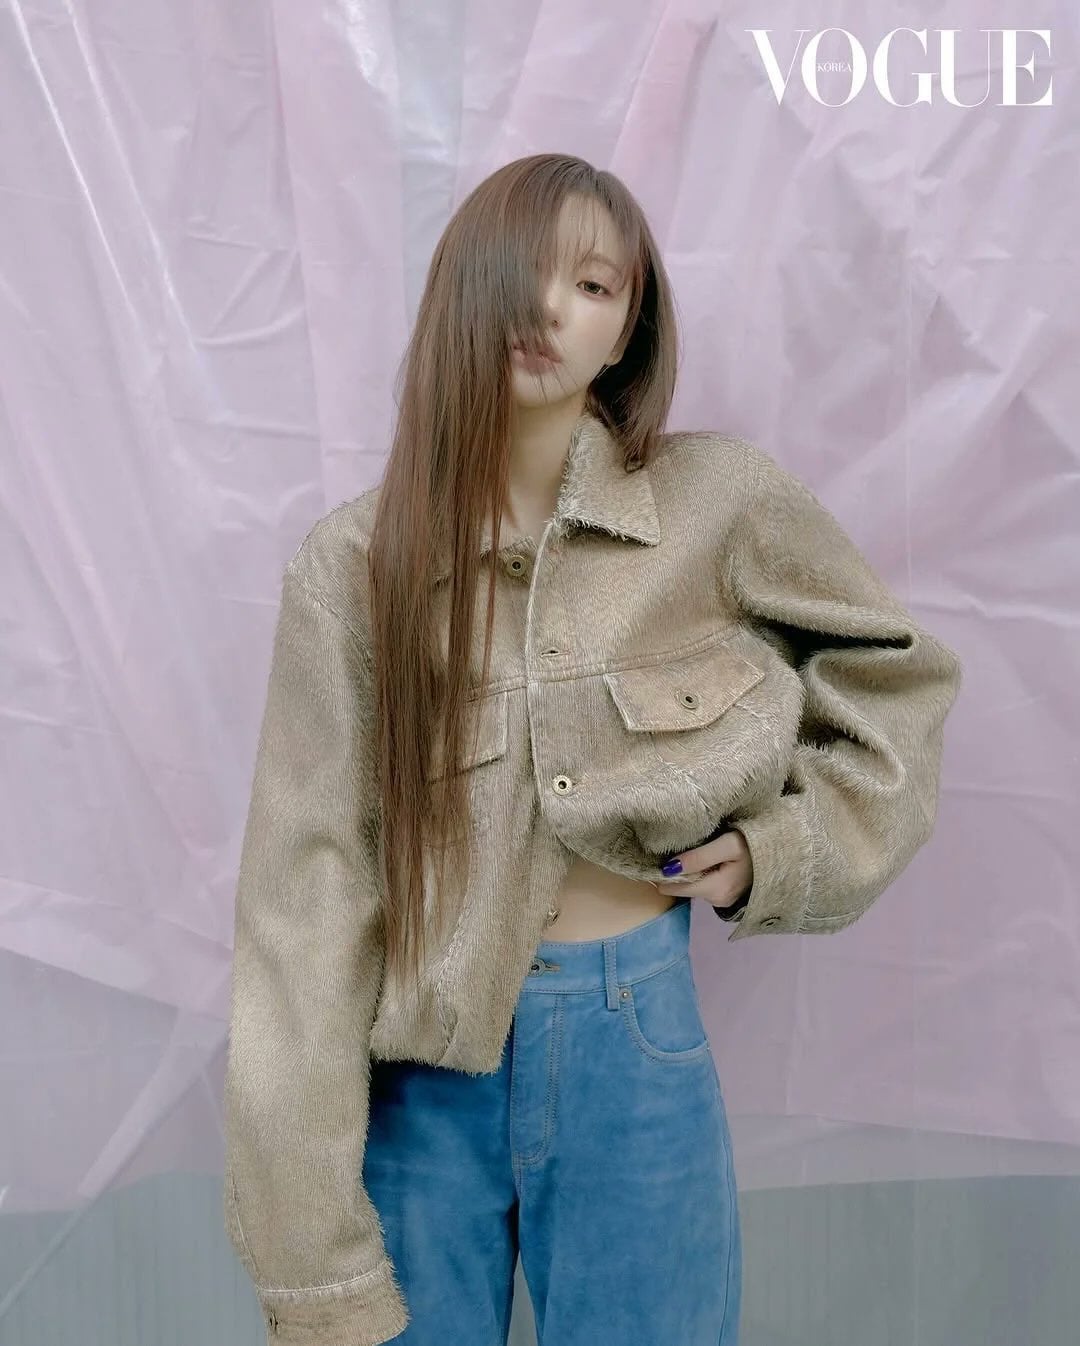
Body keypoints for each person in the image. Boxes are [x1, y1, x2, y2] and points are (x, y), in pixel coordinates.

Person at [221, 153, 963, 1345]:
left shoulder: (716, 503)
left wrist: (781, 850)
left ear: (627, 329)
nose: (551, 306)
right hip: (420, 1072)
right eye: (524, 269)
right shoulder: (354, 570)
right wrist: (309, 1248)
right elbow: (301, 907)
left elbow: (898, 681)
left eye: (595, 283)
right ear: (464, 285)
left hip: (636, 1039)